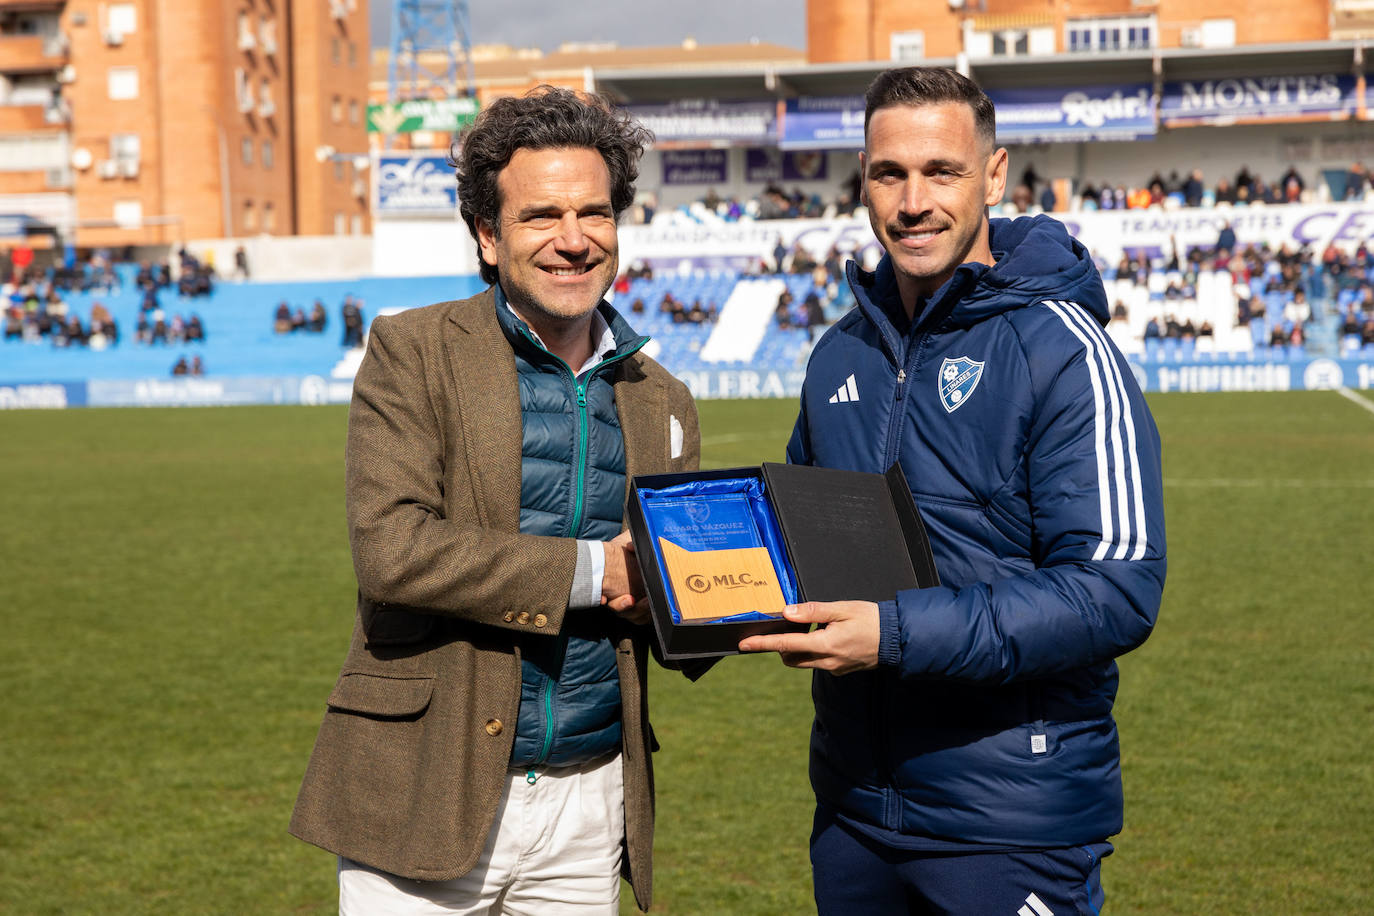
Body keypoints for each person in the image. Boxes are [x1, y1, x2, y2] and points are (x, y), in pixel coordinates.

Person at [739, 66, 1166, 915]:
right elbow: (799, 542)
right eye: (888, 173)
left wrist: (894, 634)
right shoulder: (840, 355)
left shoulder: (1064, 350)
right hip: (857, 812)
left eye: (943, 171)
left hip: (1010, 823)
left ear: (995, 176)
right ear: (862, 177)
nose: (912, 201)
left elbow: (1117, 591)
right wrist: (691, 574)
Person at [290, 85, 703, 915]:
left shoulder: (662, 395)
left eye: (595, 213)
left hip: (592, 801)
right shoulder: (413, 352)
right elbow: (393, 551)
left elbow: (671, 605)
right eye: (541, 216)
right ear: (488, 235)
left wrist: (725, 599)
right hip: (426, 785)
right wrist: (597, 572)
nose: (573, 240)